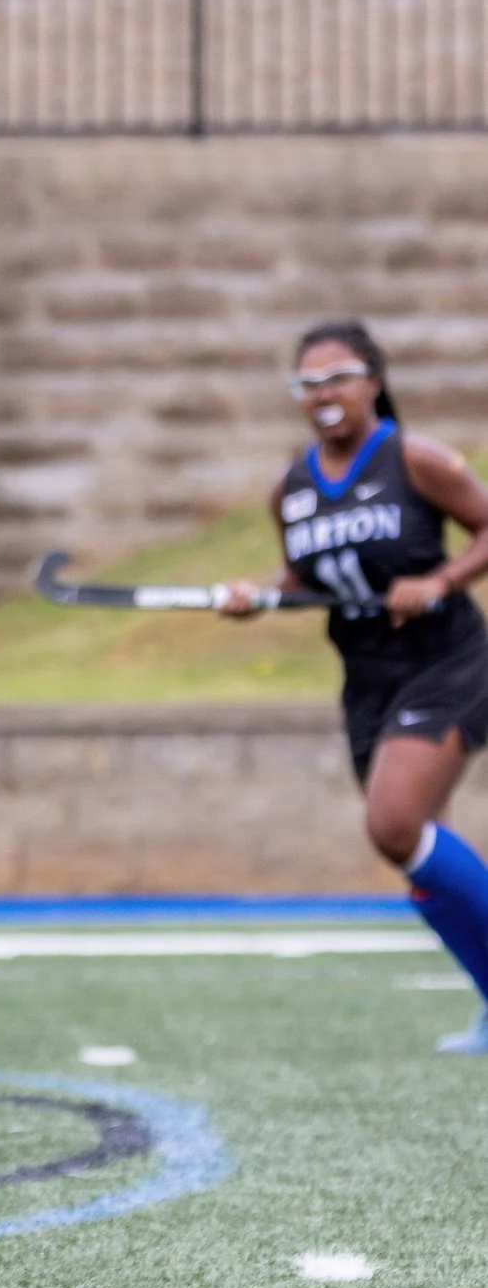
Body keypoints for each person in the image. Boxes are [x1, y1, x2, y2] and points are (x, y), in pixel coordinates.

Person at [215, 321, 488, 1053]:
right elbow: (304, 582)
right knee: (417, 848)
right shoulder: (291, 488)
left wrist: (439, 579)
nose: (324, 395)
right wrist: (258, 597)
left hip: (446, 661)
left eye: (337, 378)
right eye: (308, 384)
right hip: (367, 678)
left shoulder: (414, 459)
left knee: (394, 822)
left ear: (373, 380)